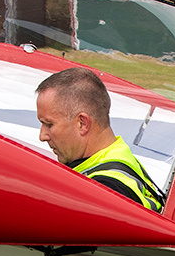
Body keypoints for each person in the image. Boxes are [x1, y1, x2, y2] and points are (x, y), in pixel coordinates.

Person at [35, 66, 164, 211]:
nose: (42, 136)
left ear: (82, 123)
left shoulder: (105, 191)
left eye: (49, 124)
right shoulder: (118, 156)